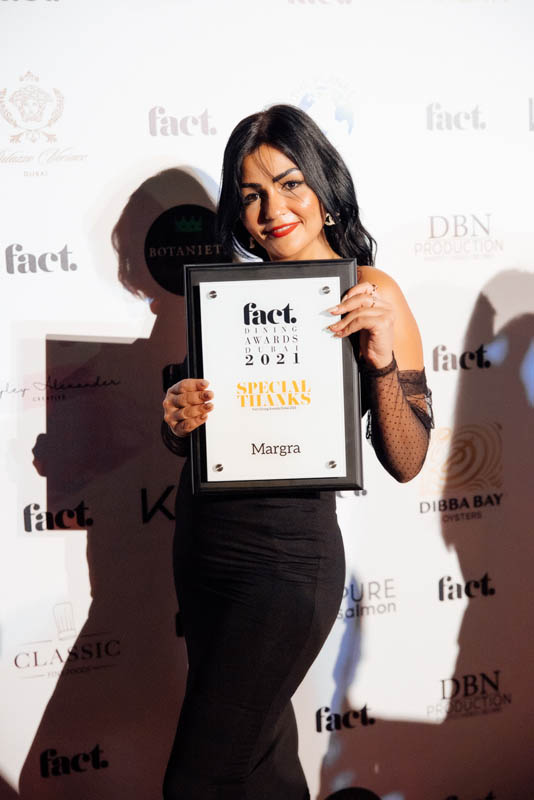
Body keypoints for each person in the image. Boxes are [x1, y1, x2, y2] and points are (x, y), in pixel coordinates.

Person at [161, 104, 433, 800]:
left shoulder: (371, 291)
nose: (272, 210)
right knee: (260, 765)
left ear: (323, 185)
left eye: (289, 184)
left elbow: (407, 459)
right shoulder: (226, 293)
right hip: (204, 548)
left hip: (286, 564)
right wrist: (177, 419)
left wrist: (379, 362)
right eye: (251, 194)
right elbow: (197, 434)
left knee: (198, 780)